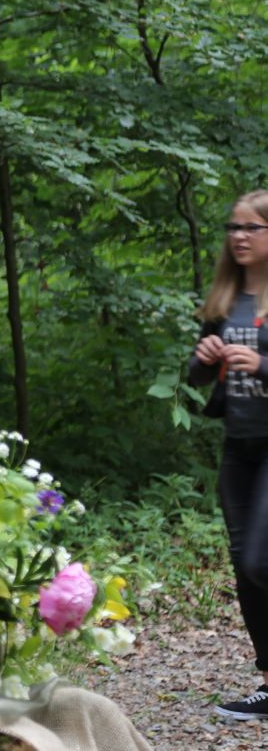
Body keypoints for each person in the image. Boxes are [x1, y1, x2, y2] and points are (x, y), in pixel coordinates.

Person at [190, 190, 268, 722]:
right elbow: (196, 387)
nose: (238, 236)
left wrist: (261, 364)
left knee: (263, 557)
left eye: (251, 228)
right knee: (245, 564)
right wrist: (203, 360)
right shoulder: (224, 300)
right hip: (239, 448)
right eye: (232, 227)